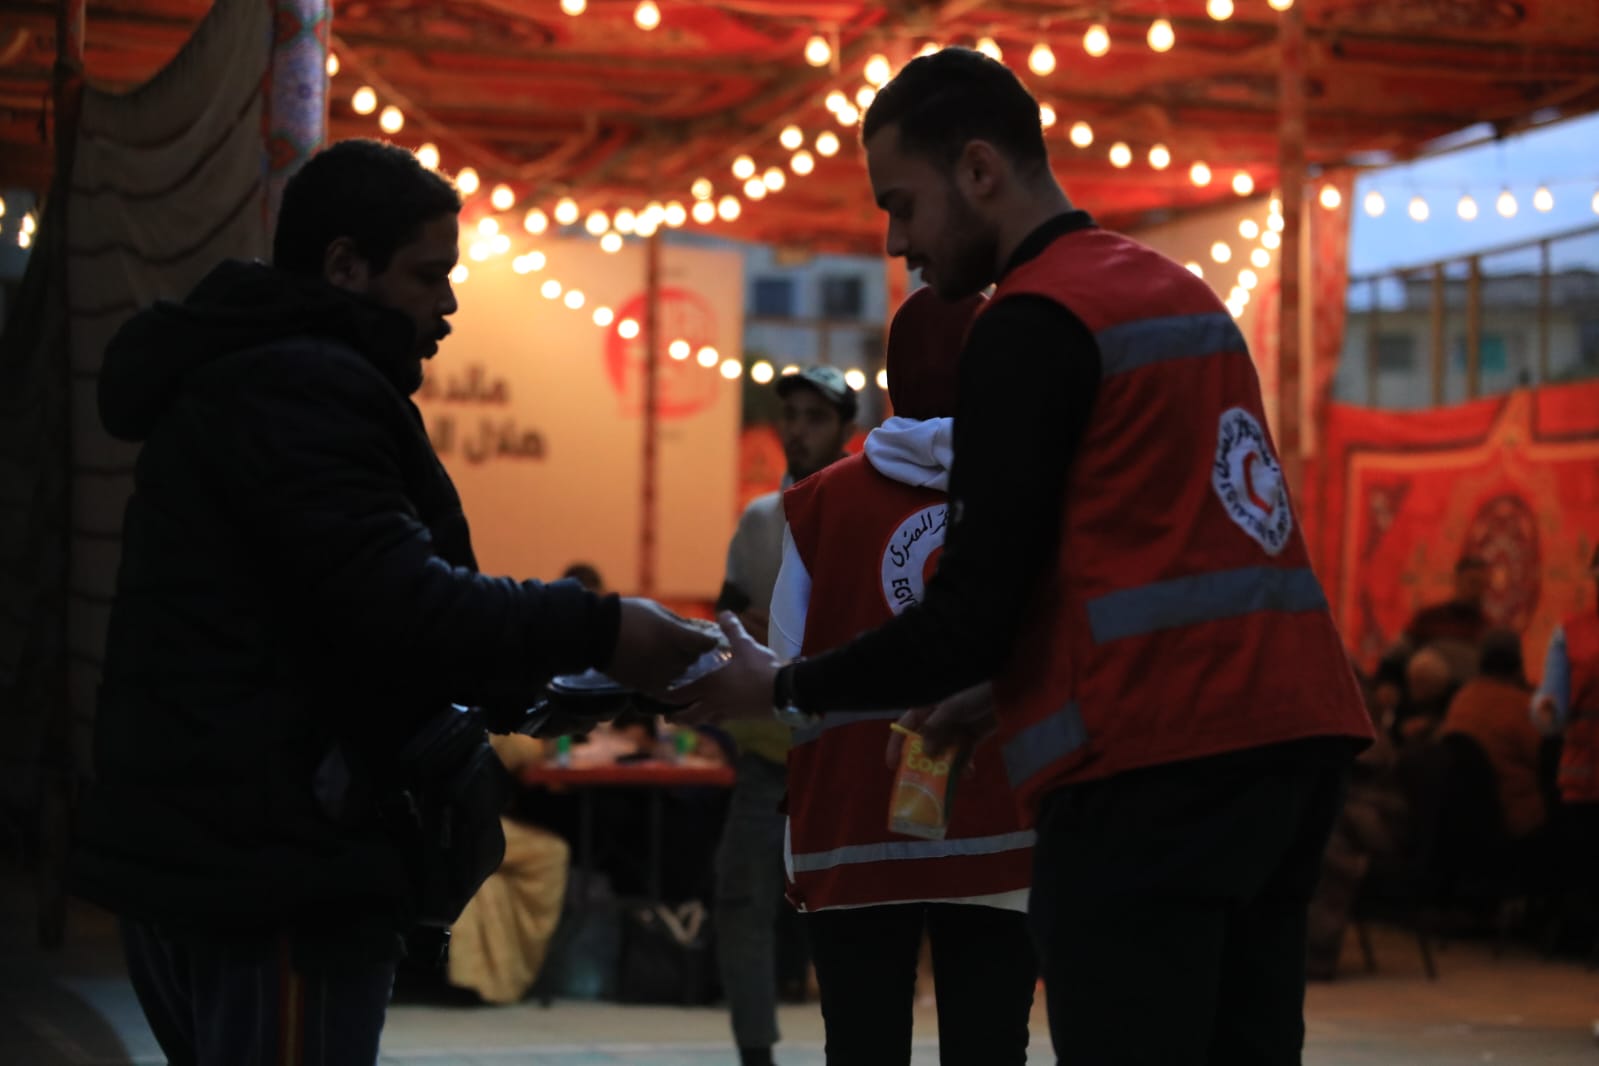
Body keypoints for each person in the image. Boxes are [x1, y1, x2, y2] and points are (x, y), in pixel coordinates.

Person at [680, 47, 1374, 1065]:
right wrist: (996, 694)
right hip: (1289, 744)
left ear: (978, 169)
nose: (898, 242)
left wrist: (780, 685)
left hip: (1152, 766)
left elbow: (969, 616)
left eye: (902, 205)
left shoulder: (1031, 321)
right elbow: (1162, 547)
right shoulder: (1175, 291)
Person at [73, 139, 714, 1064]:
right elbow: (400, 605)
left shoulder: (255, 378)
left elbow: (350, 620)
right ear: (345, 266)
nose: (447, 305)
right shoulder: (302, 386)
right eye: (428, 275)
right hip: (276, 860)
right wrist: (605, 626)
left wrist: (558, 682)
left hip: (223, 847)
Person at [770, 287, 1036, 1066]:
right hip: (1002, 816)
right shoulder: (1034, 491)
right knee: (991, 1047)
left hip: (852, 817)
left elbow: (788, 668)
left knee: (861, 1046)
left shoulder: (817, 504)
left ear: (891, 380)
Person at [714, 364, 856, 1066]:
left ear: (846, 430)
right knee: (741, 902)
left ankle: (857, 1041)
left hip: (845, 751)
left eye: (814, 417)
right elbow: (729, 615)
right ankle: (755, 1053)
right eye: (790, 416)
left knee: (851, 912)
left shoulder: (864, 515)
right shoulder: (760, 521)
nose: (797, 430)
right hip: (769, 751)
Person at [1440, 629, 1545, 838]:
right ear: (1520, 664)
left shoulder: (1461, 699)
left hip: (1468, 820)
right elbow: (1548, 761)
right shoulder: (1523, 707)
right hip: (1520, 822)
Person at [1401, 555, 1492, 682]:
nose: (1478, 590)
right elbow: (1401, 652)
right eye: (1473, 582)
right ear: (1457, 580)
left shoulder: (1488, 628)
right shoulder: (1429, 618)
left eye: (1483, 585)